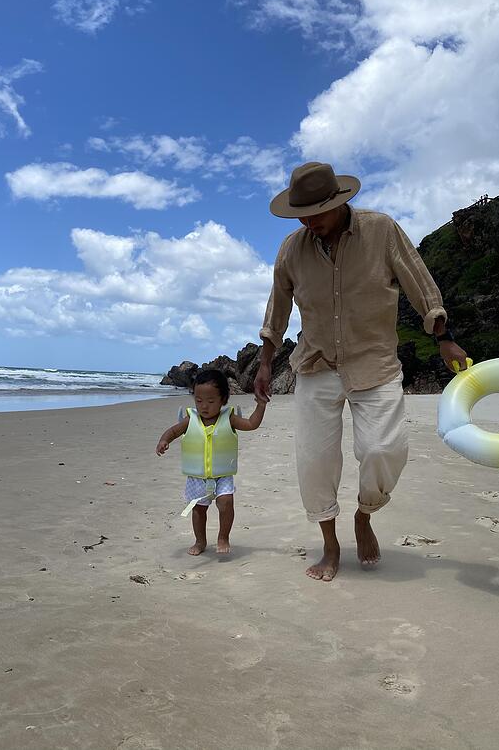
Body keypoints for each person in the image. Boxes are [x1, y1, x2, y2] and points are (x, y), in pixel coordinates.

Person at [254, 161, 468, 581]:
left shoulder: (381, 230)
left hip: (375, 361)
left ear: (339, 202)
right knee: (315, 462)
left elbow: (419, 283)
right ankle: (330, 545)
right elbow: (276, 311)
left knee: (383, 450)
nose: (309, 221)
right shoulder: (291, 249)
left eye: (317, 211)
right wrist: (264, 362)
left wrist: (444, 336)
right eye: (302, 213)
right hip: (316, 365)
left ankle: (364, 514)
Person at [156, 368, 267, 556]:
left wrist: (261, 406)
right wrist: (164, 440)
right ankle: (200, 541)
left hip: (222, 475)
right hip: (197, 477)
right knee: (198, 510)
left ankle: (223, 537)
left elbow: (251, 424)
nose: (204, 406)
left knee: (226, 502)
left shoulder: (229, 418)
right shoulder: (190, 419)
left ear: (223, 400)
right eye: (199, 401)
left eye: (210, 401)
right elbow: (173, 431)